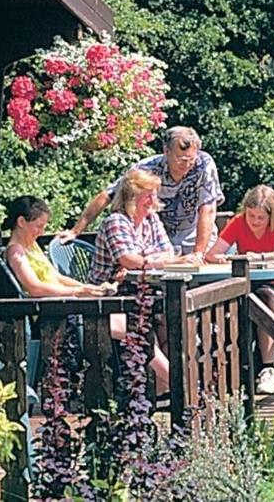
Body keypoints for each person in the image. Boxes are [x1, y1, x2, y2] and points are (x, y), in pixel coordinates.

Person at [59, 126, 224, 261]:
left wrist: (198, 253)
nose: (187, 165)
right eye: (181, 159)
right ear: (166, 151)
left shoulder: (204, 163)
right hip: (161, 238)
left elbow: (208, 209)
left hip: (195, 232)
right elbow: (108, 195)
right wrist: (75, 231)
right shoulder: (147, 168)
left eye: (191, 159)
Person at [87, 169, 173, 395]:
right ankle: (182, 385)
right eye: (148, 195)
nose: (153, 200)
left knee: (173, 322)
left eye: (155, 194)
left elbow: (168, 253)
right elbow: (127, 259)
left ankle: (160, 389)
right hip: (109, 300)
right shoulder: (116, 221)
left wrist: (146, 261)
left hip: (141, 292)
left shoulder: (151, 220)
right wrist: (150, 260)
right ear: (132, 197)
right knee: (140, 331)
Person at [206, 185, 274, 395]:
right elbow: (212, 253)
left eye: (260, 217)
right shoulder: (238, 223)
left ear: (271, 216)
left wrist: (261, 256)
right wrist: (223, 257)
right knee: (264, 301)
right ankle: (266, 367)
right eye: (251, 216)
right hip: (252, 282)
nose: (254, 221)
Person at [3, 196, 116, 298]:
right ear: (21, 222)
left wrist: (89, 288)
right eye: (39, 226)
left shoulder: (32, 245)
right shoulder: (15, 251)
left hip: (59, 301)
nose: (41, 232)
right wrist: (76, 291)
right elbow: (35, 288)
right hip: (47, 309)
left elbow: (57, 277)